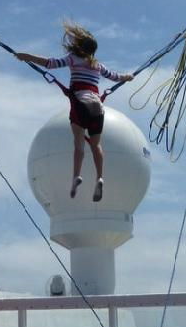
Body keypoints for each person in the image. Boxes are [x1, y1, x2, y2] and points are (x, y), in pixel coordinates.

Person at [15, 24, 133, 202]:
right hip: (98, 109)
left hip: (81, 105)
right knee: (96, 146)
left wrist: (26, 56)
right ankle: (100, 177)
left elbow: (50, 63)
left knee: (79, 144)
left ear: (79, 47)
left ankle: (76, 176)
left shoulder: (73, 59)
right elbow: (116, 77)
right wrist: (128, 77)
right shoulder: (98, 66)